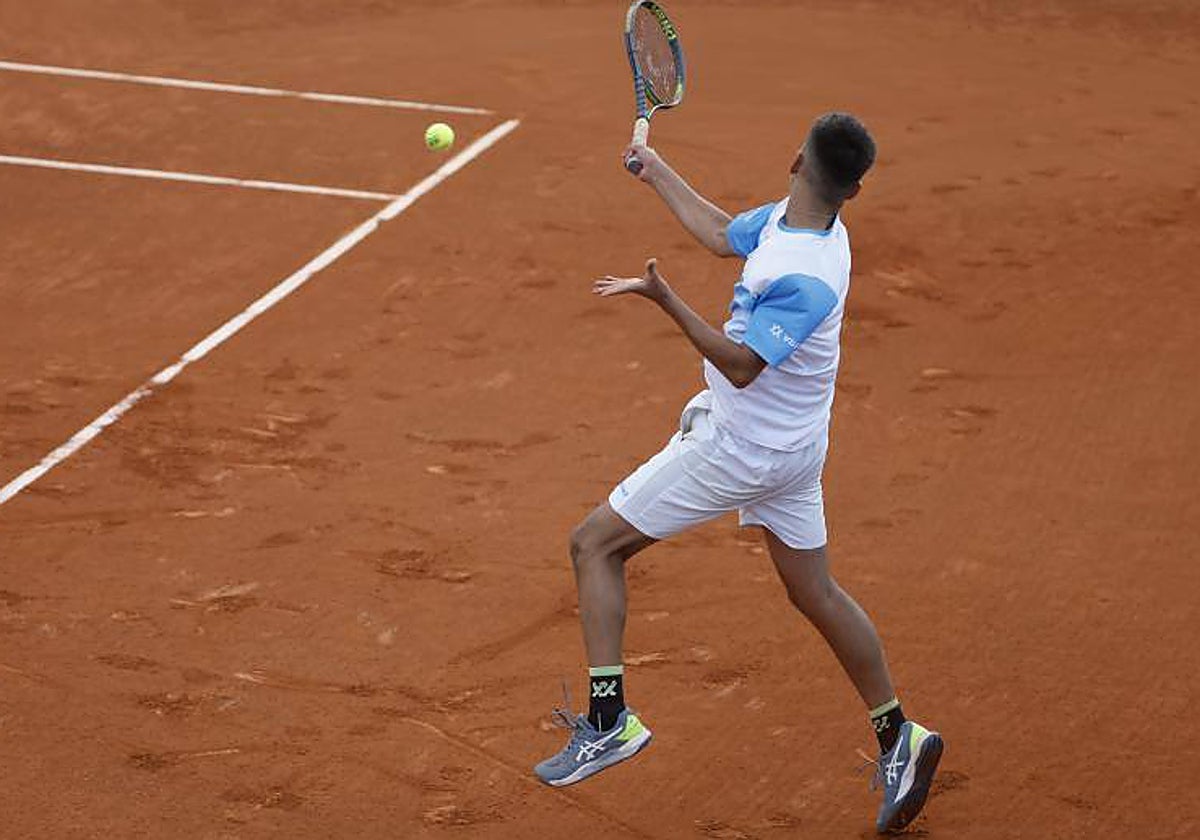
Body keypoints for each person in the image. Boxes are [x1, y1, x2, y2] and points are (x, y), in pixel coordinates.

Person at [534, 112, 943, 834]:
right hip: (797, 447)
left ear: (795, 158)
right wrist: (655, 172)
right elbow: (725, 234)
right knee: (814, 591)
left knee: (593, 544)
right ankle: (899, 737)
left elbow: (744, 366)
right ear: (849, 187)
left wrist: (666, 301)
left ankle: (609, 721)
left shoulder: (805, 278)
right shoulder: (805, 227)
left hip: (742, 448)